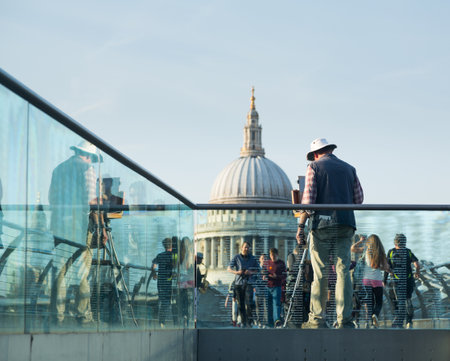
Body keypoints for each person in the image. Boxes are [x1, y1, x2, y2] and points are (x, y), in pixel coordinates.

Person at [297, 138, 364, 329]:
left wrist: (301, 226)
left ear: (315, 154)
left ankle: (317, 319)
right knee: (343, 272)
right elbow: (358, 200)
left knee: (320, 273)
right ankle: (345, 320)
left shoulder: (314, 167)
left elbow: (308, 203)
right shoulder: (349, 168)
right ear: (330, 150)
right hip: (346, 223)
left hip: (322, 225)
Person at [49, 140, 107, 325]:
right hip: (80, 225)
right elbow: (91, 201)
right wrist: (102, 225)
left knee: (60, 270)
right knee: (82, 271)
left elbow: (52, 198)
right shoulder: (87, 169)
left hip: (59, 225)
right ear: (89, 155)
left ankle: (57, 315)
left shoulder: (58, 169)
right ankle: (83, 315)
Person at [351, 234, 390, 328]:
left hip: (366, 280)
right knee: (379, 302)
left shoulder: (366, 250)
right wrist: (381, 268)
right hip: (377, 280)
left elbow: (352, 248)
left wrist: (360, 241)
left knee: (370, 302)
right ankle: (374, 316)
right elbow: (386, 267)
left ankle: (369, 321)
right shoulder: (381, 253)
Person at [385, 233, 420, 328]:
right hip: (408, 280)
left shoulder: (391, 252)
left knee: (397, 300)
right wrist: (417, 272)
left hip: (396, 281)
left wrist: (385, 279)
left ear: (395, 242)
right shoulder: (408, 251)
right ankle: (409, 321)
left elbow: (386, 267)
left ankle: (399, 321)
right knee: (408, 299)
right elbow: (416, 263)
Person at [227, 241, 259, 327]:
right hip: (238, 283)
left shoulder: (253, 258)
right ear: (241, 248)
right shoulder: (236, 257)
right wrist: (237, 272)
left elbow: (258, 270)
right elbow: (229, 268)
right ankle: (243, 322)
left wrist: (250, 272)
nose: (246, 249)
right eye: (245, 247)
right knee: (240, 304)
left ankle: (249, 322)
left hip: (249, 282)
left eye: (248, 247)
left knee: (249, 302)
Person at [152, 238, 176, 328]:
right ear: (172, 246)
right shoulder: (174, 255)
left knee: (163, 302)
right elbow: (175, 266)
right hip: (170, 281)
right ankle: (173, 322)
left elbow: (153, 266)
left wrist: (154, 274)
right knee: (171, 302)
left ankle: (161, 322)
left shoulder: (160, 255)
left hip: (161, 281)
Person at [265, 248, 286, 328]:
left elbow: (284, 275)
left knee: (276, 304)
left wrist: (276, 276)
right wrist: (264, 276)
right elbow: (263, 272)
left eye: (274, 255)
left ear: (277, 255)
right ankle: (270, 322)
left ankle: (277, 320)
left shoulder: (281, 263)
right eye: (271, 255)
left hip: (277, 286)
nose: (272, 257)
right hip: (268, 286)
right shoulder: (267, 263)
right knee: (269, 305)